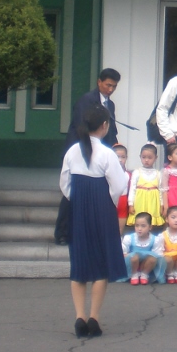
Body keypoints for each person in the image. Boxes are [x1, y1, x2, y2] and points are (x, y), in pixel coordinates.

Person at [60, 102, 128, 337]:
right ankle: (94, 318)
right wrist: (105, 200)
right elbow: (119, 184)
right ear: (105, 126)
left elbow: (65, 185)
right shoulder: (107, 153)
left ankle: (79, 316)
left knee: (79, 263)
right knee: (101, 265)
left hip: (78, 208)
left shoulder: (72, 151)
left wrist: (78, 199)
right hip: (102, 209)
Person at [54, 68, 121, 245]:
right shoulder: (87, 100)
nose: (110, 89)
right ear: (99, 82)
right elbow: (80, 126)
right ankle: (62, 232)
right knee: (72, 194)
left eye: (114, 86)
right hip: (80, 150)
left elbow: (110, 130)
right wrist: (88, 150)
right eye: (108, 85)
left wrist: (115, 148)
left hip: (99, 153)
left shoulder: (110, 104)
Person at [127, 143, 164, 227]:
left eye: (150, 157)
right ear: (140, 157)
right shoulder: (137, 172)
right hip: (139, 202)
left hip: (153, 203)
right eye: (144, 157)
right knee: (139, 222)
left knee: (152, 223)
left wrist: (162, 205)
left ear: (156, 158)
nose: (146, 160)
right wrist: (131, 204)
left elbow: (161, 191)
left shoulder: (158, 174)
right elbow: (132, 189)